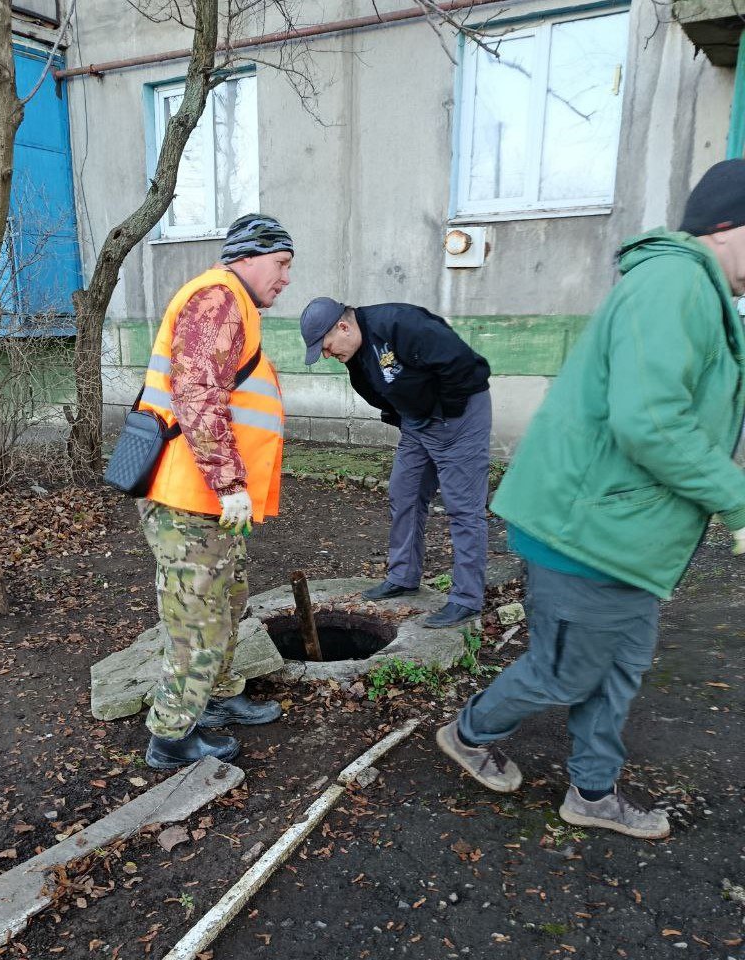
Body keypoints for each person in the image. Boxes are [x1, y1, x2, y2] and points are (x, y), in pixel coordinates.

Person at [436, 159, 745, 840]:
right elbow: (651, 422)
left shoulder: (697, 290)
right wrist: (736, 498)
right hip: (588, 531)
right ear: (727, 226)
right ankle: (468, 733)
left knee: (617, 671)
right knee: (566, 673)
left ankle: (593, 793)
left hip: (623, 535)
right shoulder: (673, 283)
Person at [137, 214, 293, 770]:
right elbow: (197, 392)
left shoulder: (235, 304)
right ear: (247, 257)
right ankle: (171, 737)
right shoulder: (218, 297)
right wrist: (228, 482)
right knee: (196, 619)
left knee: (226, 603)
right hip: (191, 498)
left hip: (210, 504)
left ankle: (218, 699)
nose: (286, 278)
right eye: (281, 264)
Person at [300, 298, 492, 627]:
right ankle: (403, 576)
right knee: (404, 493)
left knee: (463, 507)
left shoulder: (399, 324)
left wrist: (444, 413)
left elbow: (460, 363)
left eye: (326, 347)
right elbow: (383, 394)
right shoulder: (356, 357)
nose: (328, 355)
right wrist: (409, 419)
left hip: (457, 417)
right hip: (418, 422)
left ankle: (466, 598)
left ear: (343, 327)